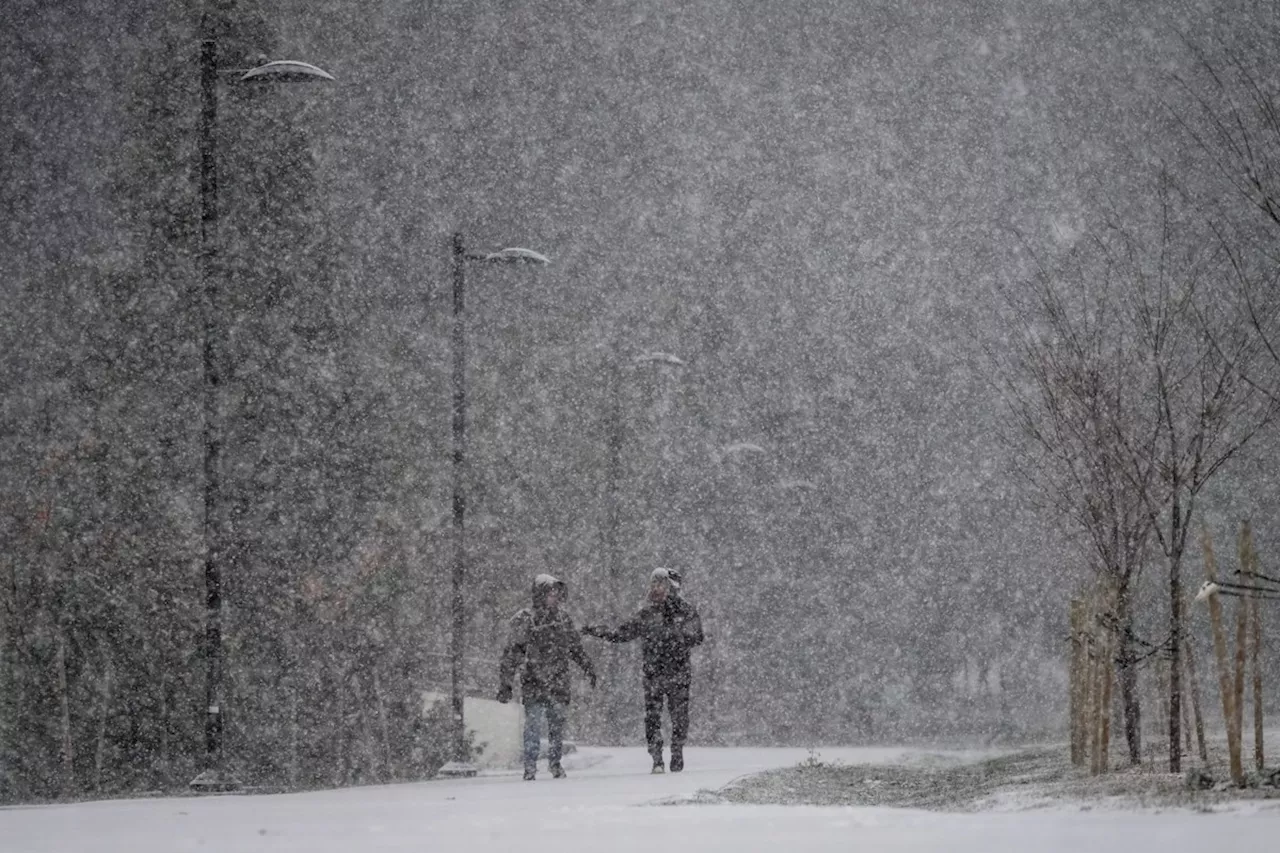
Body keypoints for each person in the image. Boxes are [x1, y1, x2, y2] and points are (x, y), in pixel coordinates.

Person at [583, 567, 704, 773]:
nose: (656, 589)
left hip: (678, 673)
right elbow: (622, 633)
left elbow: (697, 636)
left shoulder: (686, 611)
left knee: (679, 716)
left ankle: (677, 750)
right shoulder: (647, 614)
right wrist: (598, 631)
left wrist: (674, 635)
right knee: (652, 717)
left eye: (661, 584)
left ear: (672, 588)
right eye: (653, 584)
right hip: (653, 674)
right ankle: (657, 757)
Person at [497, 573, 597, 780]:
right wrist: (506, 683)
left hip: (558, 682)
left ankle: (555, 764)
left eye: (556, 593)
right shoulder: (525, 619)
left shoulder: (563, 619)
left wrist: (588, 667)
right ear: (540, 595)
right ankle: (530, 766)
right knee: (533, 725)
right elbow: (512, 653)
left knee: (556, 725)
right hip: (534, 682)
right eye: (550, 593)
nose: (554, 597)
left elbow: (575, 648)